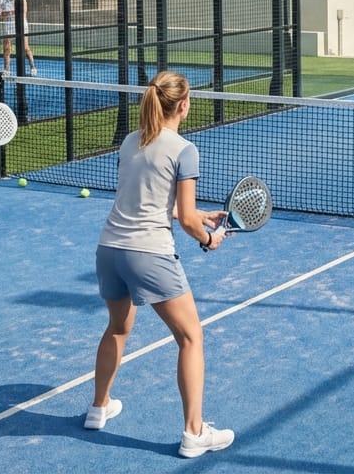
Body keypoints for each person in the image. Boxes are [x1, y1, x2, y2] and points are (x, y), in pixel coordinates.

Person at [85, 70, 235, 459]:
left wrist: (199, 215)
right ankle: (194, 433)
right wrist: (209, 238)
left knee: (118, 328)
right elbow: (185, 223)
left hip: (109, 250)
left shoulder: (130, 141)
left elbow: (148, 201)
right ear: (183, 105)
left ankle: (99, 408)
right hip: (148, 254)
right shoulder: (184, 149)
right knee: (190, 337)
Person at [0, 0, 37, 76]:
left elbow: (23, 13)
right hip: (8, 26)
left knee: (25, 48)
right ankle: (6, 69)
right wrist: (6, 14)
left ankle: (32, 67)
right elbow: (0, 18)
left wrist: (10, 12)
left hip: (21, 25)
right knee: (6, 48)